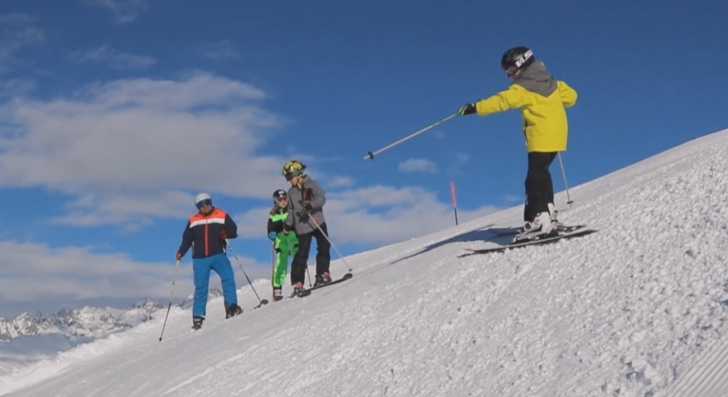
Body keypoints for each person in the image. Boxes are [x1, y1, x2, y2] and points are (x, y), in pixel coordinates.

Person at [458, 46, 577, 241]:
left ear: (520, 65)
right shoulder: (555, 84)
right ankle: (547, 213)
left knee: (534, 178)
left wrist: (475, 107)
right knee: (541, 174)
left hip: (539, 137)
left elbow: (500, 101)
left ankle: (540, 220)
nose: (510, 77)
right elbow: (572, 98)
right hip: (558, 137)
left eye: (510, 72)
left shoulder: (523, 88)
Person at [176, 192, 243, 330]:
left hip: (218, 254)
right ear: (197, 207)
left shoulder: (221, 214)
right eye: (201, 204)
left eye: (207, 202)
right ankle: (198, 317)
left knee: (228, 278)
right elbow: (187, 239)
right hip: (200, 258)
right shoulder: (193, 220)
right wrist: (181, 252)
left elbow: (233, 230)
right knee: (201, 287)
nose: (205, 206)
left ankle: (231, 307)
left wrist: (227, 234)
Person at [281, 160, 331, 295]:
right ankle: (298, 282)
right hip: (302, 226)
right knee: (302, 254)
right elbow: (290, 210)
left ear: (298, 174)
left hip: (317, 222)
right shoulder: (291, 192)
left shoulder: (312, 185)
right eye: (287, 178)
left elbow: (322, 198)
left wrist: (311, 205)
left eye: (289, 177)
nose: (288, 180)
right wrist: (288, 224)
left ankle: (323, 273)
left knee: (324, 246)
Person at [267, 189, 299, 301]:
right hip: (281, 244)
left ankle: (298, 283)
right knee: (280, 266)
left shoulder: (291, 210)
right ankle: (277, 289)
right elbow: (270, 230)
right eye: (280, 199)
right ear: (275, 201)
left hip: (293, 240)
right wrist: (271, 234)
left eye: (285, 198)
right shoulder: (273, 215)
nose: (283, 201)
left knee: (298, 262)